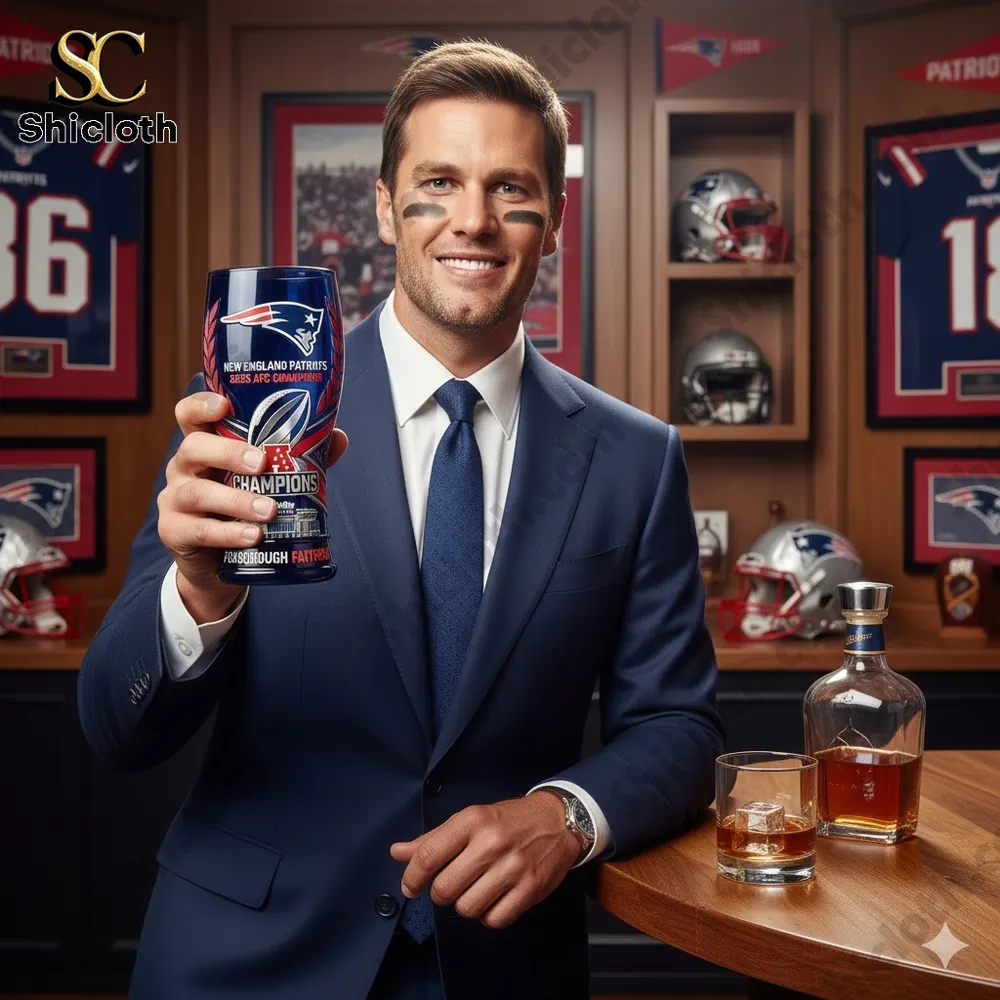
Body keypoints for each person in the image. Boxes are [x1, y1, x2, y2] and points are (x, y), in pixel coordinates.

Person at [78, 39, 724, 1000]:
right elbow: (115, 731)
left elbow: (677, 723)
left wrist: (567, 813)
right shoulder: (253, 416)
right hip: (245, 961)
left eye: (510, 188)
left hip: (503, 964)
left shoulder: (635, 457)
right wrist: (197, 588)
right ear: (385, 205)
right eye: (438, 182)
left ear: (555, 219)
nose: (474, 220)